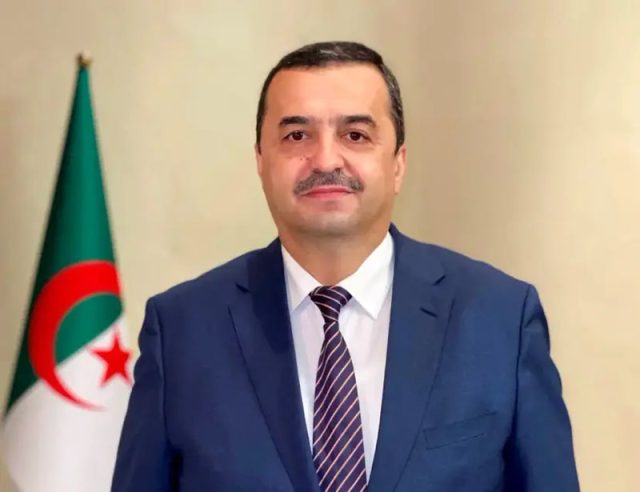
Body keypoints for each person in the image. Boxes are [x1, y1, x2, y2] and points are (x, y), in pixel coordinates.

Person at [112, 41, 580, 492]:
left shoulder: (500, 320)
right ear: (260, 161)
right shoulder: (182, 331)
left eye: (355, 135)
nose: (325, 159)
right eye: (297, 136)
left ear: (398, 164)